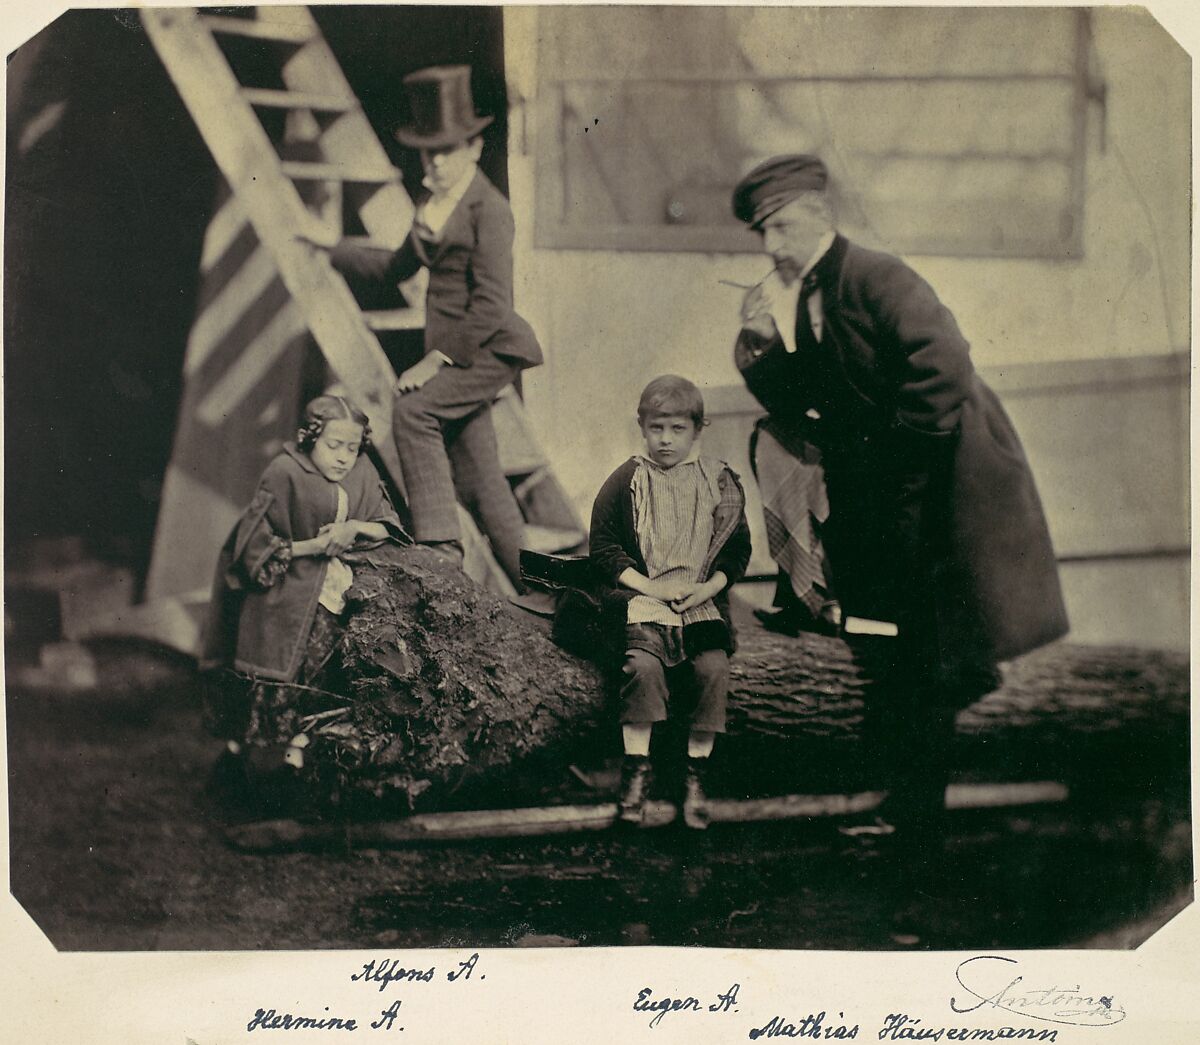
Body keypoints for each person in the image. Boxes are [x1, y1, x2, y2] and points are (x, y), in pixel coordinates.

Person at [730, 154, 1068, 837]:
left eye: (782, 227)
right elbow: (812, 404)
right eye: (762, 232)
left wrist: (902, 478)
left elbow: (944, 364)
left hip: (947, 476)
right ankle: (908, 802)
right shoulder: (814, 293)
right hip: (890, 484)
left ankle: (918, 819)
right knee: (892, 639)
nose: (771, 247)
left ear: (820, 217)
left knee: (928, 645)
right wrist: (759, 346)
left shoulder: (878, 274)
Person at [311, 65, 542, 591]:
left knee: (414, 410)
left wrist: (434, 360)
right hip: (463, 350)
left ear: (475, 148)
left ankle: (440, 545)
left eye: (447, 151)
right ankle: (544, 592)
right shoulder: (434, 206)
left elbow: (492, 305)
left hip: (489, 348)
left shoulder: (490, 210)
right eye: (426, 152)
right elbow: (395, 268)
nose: (434, 163)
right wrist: (330, 247)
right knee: (483, 479)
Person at [201, 394, 408, 804]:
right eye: (334, 446)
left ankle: (294, 782)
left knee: (319, 687)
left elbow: (389, 525)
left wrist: (357, 530)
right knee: (278, 688)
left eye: (352, 447)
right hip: (285, 600)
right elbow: (251, 546)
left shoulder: (363, 472)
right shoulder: (284, 472)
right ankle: (239, 778)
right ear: (311, 437)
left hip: (337, 599)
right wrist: (314, 545)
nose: (344, 458)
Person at [589, 376, 752, 830]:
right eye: (657, 427)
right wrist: (648, 586)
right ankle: (636, 774)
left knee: (712, 670)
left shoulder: (719, 482)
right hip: (646, 599)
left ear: (698, 429)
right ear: (642, 426)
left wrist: (709, 588)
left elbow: (738, 551)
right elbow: (602, 548)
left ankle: (695, 778)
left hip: (701, 601)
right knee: (641, 669)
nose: (666, 439)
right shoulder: (627, 480)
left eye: (678, 429)